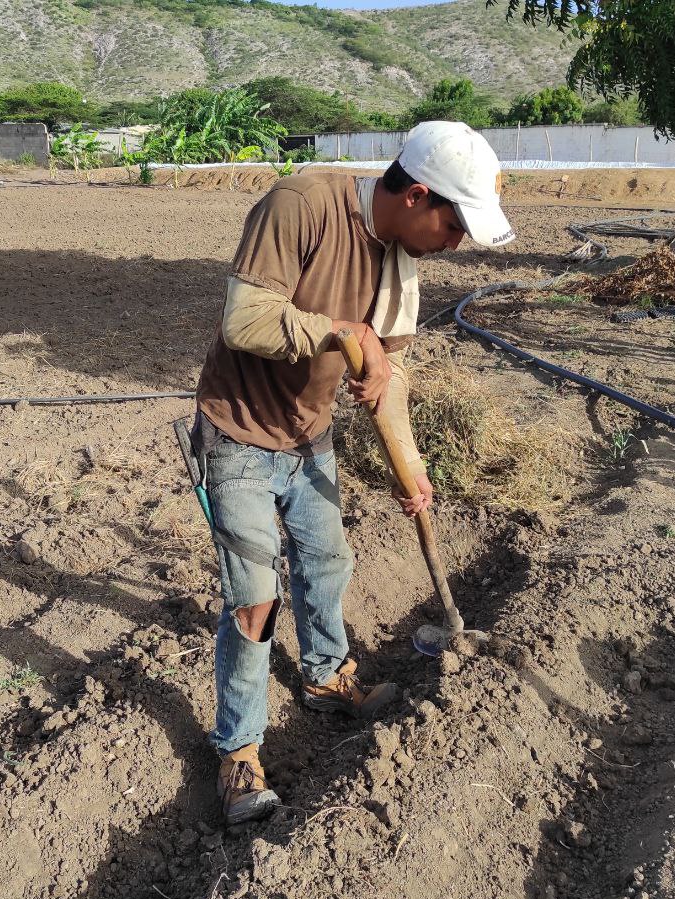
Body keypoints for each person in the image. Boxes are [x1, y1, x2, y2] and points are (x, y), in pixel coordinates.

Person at [192, 121, 515, 824]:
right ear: (418, 196)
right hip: (238, 433)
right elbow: (244, 320)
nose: (456, 243)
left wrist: (411, 467)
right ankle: (239, 752)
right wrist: (341, 332)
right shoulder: (300, 204)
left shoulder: (401, 260)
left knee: (327, 563)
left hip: (310, 436)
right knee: (255, 598)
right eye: (454, 225)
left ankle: (325, 678)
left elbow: (384, 374)